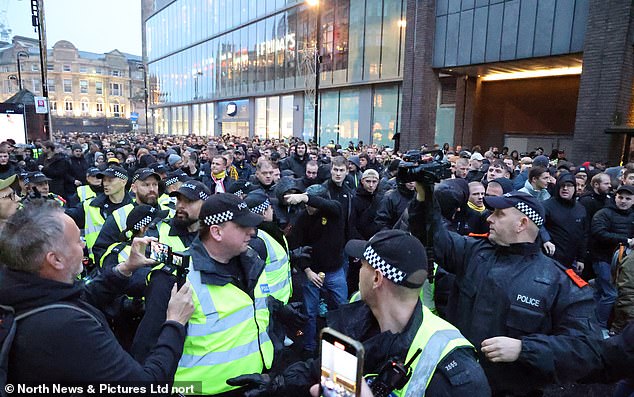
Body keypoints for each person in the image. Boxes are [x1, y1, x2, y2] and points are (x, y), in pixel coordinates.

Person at [228, 230, 491, 397]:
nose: (356, 269)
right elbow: (320, 369)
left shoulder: (454, 365)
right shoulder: (359, 312)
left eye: (361, 264)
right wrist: (274, 383)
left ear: (376, 278)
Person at [409, 187, 602, 395]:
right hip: (456, 384)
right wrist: (424, 195)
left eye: (499, 214)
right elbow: (430, 236)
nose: (489, 218)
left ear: (522, 224)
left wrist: (524, 349)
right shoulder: (474, 252)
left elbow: (587, 348)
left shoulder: (558, 282)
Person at [0, 200, 194, 386]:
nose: (84, 245)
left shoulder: (22, 290)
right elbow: (144, 387)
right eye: (78, 241)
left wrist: (125, 268)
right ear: (56, 260)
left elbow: (77, 299)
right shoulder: (68, 328)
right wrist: (174, 323)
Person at [133, 193, 276, 396]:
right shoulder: (175, 279)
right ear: (216, 232)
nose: (252, 232)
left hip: (253, 385)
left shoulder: (252, 262)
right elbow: (147, 352)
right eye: (243, 226)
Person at [285, 184, 348, 357]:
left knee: (342, 308)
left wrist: (305, 197)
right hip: (311, 273)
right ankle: (309, 347)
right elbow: (297, 245)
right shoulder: (302, 218)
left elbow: (332, 206)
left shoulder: (334, 212)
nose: (308, 207)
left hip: (335, 271)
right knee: (310, 312)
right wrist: (307, 271)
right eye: (306, 204)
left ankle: (343, 343)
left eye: (311, 203)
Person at [66, 165, 133, 262]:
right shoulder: (90, 205)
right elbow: (64, 219)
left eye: (110, 180)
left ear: (123, 182)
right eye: (104, 180)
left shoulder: (134, 208)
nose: (105, 184)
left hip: (125, 265)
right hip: (95, 264)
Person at [590, 184, 634, 331]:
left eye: (628, 198)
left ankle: (589, 321)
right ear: (615, 197)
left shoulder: (632, 215)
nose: (623, 201)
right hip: (603, 258)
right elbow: (598, 232)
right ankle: (600, 327)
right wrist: (625, 240)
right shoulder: (604, 213)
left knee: (599, 291)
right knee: (611, 294)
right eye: (620, 197)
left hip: (623, 262)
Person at [541, 173, 589, 271]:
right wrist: (546, 239)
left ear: (574, 188)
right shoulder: (546, 205)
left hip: (571, 260)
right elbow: (537, 224)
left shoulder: (581, 209)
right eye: (562, 185)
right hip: (549, 258)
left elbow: (584, 235)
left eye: (569, 185)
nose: (565, 188)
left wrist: (581, 258)